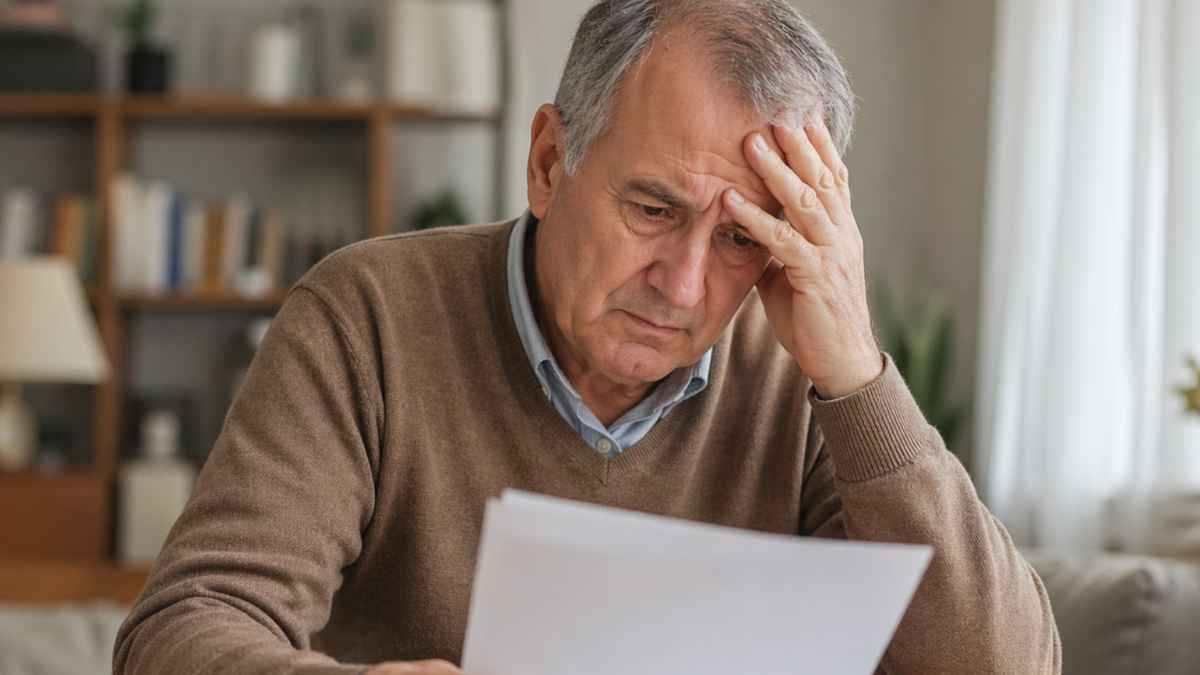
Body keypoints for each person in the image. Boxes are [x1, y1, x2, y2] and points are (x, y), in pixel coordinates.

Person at [114, 1, 1061, 673]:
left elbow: (1006, 670)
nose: (685, 285)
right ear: (547, 162)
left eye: (741, 238)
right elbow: (180, 630)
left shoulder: (804, 377)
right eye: (653, 207)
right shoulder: (368, 317)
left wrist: (859, 379)